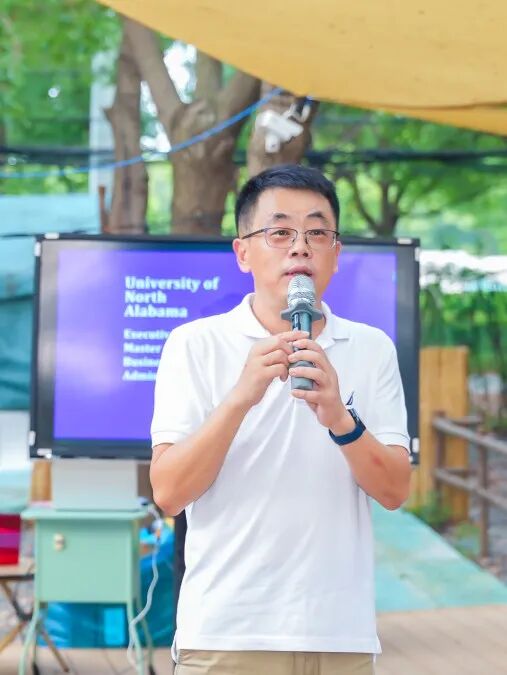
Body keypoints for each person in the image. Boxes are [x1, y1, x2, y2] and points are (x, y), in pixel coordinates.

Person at [150, 164, 412, 675]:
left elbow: (395, 490)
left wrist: (340, 418)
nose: (300, 248)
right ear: (242, 252)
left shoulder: (372, 347)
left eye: (317, 232)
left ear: (336, 252)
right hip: (226, 635)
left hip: (340, 637)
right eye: (280, 232)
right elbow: (170, 492)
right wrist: (240, 398)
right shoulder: (194, 344)